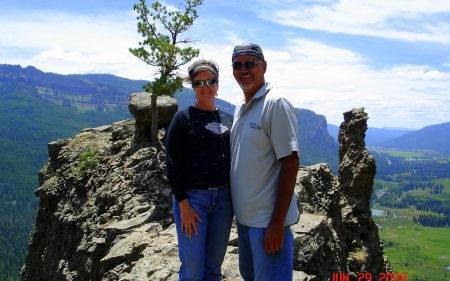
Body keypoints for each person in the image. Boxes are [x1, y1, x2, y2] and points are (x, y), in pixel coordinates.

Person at [230, 43, 300, 281]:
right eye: (238, 65)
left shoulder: (275, 103)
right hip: (246, 223)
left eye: (251, 63)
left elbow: (290, 163)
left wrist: (277, 223)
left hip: (266, 225)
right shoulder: (241, 107)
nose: (244, 70)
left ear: (264, 66)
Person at [165, 59, 234, 281]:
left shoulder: (229, 119)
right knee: (193, 269)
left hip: (224, 201)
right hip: (193, 201)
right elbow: (172, 163)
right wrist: (183, 204)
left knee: (213, 267)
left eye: (210, 81)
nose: (205, 87)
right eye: (199, 82)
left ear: (217, 83)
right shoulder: (183, 118)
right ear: (192, 86)